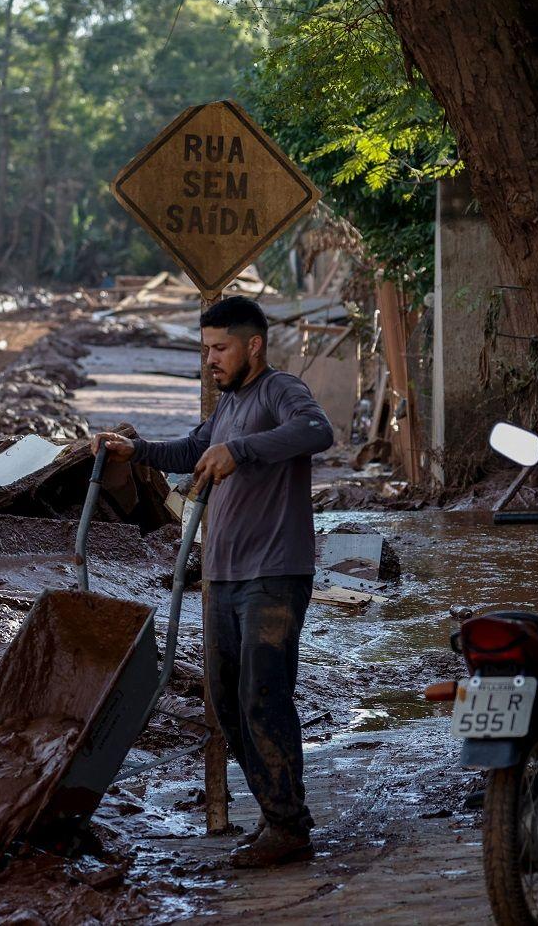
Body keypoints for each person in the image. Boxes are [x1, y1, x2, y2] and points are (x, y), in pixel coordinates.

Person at [90, 295, 334, 868]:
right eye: (205, 350)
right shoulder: (226, 408)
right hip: (222, 576)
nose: (210, 361)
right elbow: (193, 449)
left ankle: (288, 827)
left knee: (262, 696)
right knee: (226, 703)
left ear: (254, 346)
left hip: (273, 572)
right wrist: (137, 449)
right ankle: (281, 815)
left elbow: (317, 431)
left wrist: (241, 451)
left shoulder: (279, 391)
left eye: (220, 348)